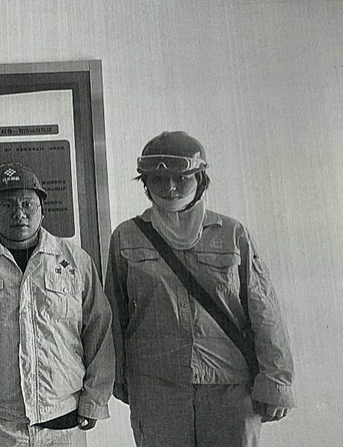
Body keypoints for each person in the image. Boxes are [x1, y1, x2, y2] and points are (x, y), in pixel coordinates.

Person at [104, 131, 295, 447]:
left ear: (200, 179)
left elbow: (265, 310)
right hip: (156, 388)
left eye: (181, 178)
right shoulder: (126, 236)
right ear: (145, 182)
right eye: (158, 179)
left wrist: (277, 381)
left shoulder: (232, 233)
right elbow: (114, 314)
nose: (170, 188)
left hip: (229, 386)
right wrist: (117, 377)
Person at [0, 163, 115, 447]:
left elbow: (99, 332)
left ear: (42, 208)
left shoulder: (76, 261)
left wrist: (96, 398)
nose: (19, 214)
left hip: (63, 420)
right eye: (6, 205)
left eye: (27, 204)